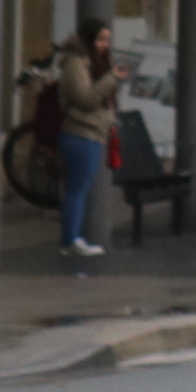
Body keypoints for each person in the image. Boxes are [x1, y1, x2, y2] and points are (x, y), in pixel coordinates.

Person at [54, 17, 123, 261]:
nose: (105, 45)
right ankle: (71, 239)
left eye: (108, 40)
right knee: (76, 188)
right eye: (101, 39)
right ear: (89, 39)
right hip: (80, 131)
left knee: (80, 188)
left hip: (94, 131)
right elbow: (86, 98)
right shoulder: (76, 63)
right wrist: (111, 78)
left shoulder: (95, 62)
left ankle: (74, 237)